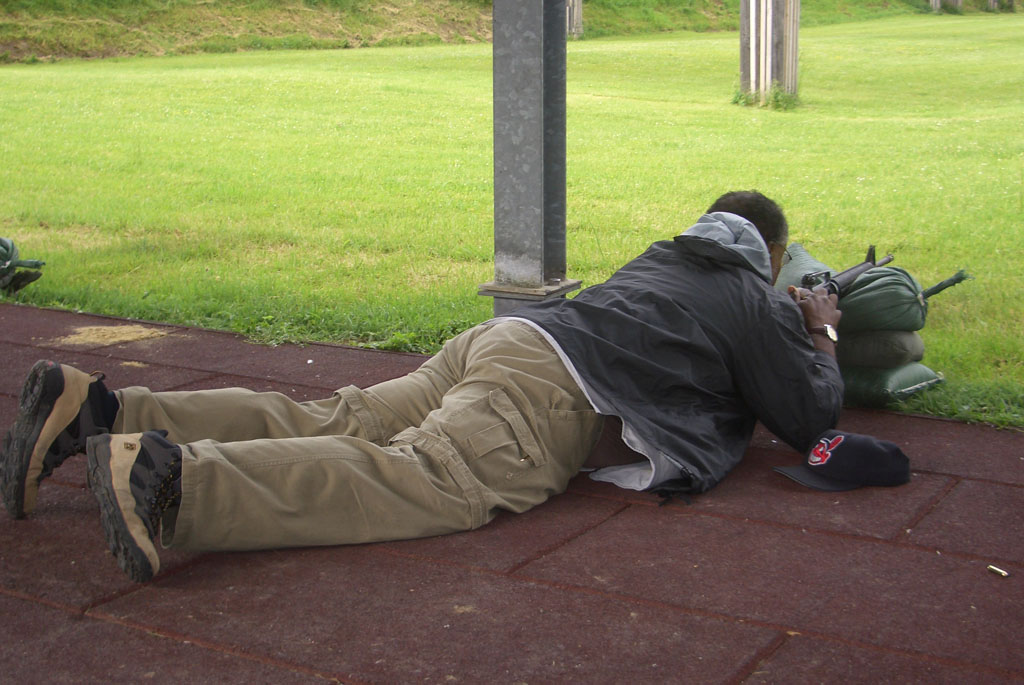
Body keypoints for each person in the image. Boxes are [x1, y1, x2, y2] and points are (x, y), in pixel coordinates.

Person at [0, 190, 843, 583]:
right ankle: (172, 481)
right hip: (549, 391)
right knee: (427, 478)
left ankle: (100, 408)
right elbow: (811, 415)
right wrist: (819, 327)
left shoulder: (661, 258)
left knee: (336, 415)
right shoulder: (755, 298)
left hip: (504, 339)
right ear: (769, 257)